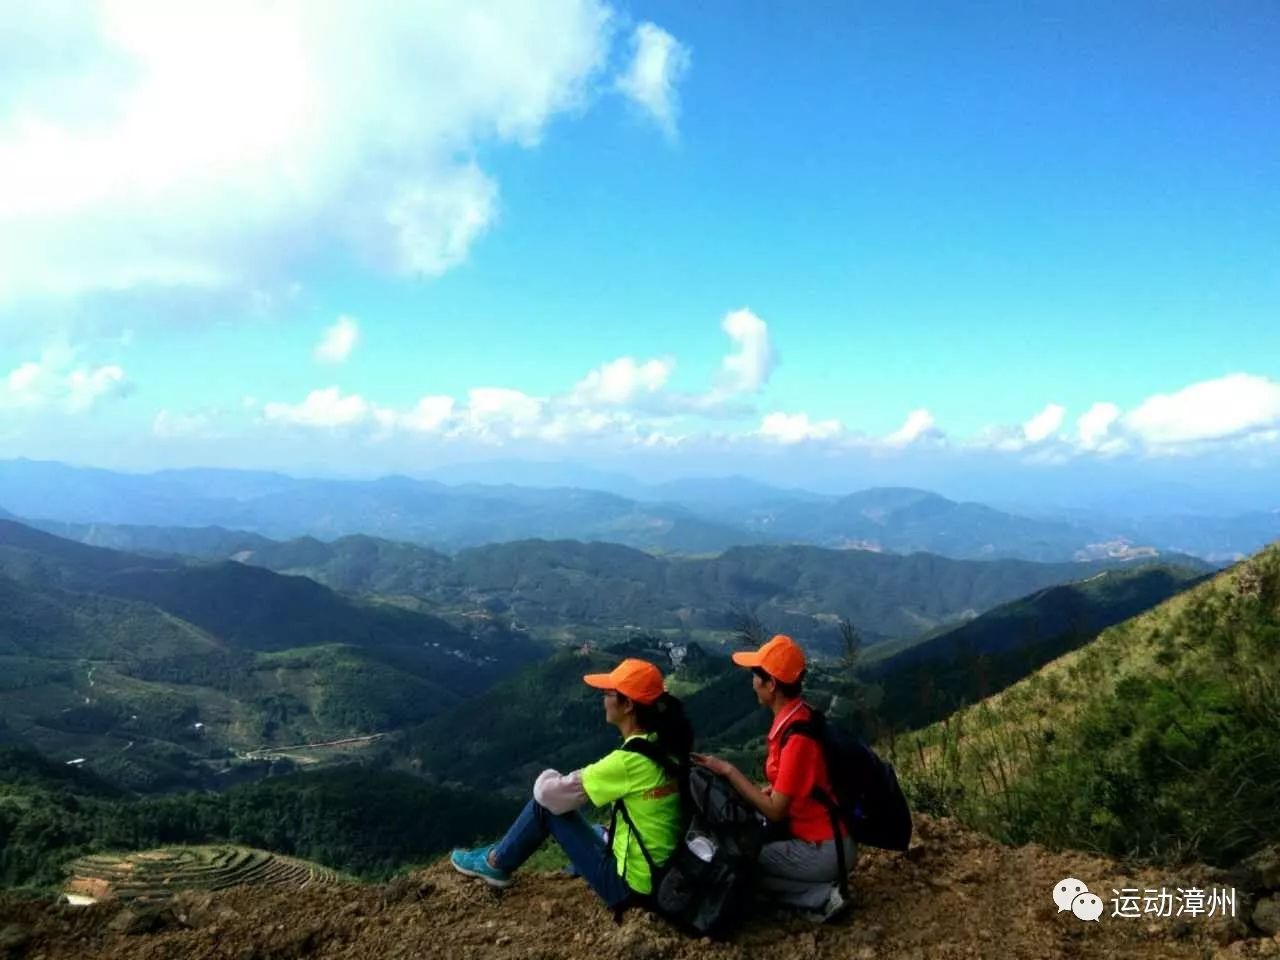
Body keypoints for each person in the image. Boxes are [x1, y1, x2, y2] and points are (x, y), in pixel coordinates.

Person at [450, 657, 691, 914]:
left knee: (542, 808)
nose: (603, 698)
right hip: (662, 876)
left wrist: (550, 773)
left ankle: (495, 862)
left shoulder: (629, 762)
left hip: (630, 889)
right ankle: (509, 857)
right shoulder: (666, 746)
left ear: (628, 704)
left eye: (609, 693)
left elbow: (548, 795)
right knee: (598, 830)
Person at [692, 634, 855, 923]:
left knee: (738, 868)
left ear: (772, 685)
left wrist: (729, 771)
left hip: (822, 848)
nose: (752, 682)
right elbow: (801, 785)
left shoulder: (797, 737)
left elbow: (777, 810)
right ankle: (815, 891)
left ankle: (820, 897)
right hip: (824, 840)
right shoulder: (799, 717)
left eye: (757, 675)